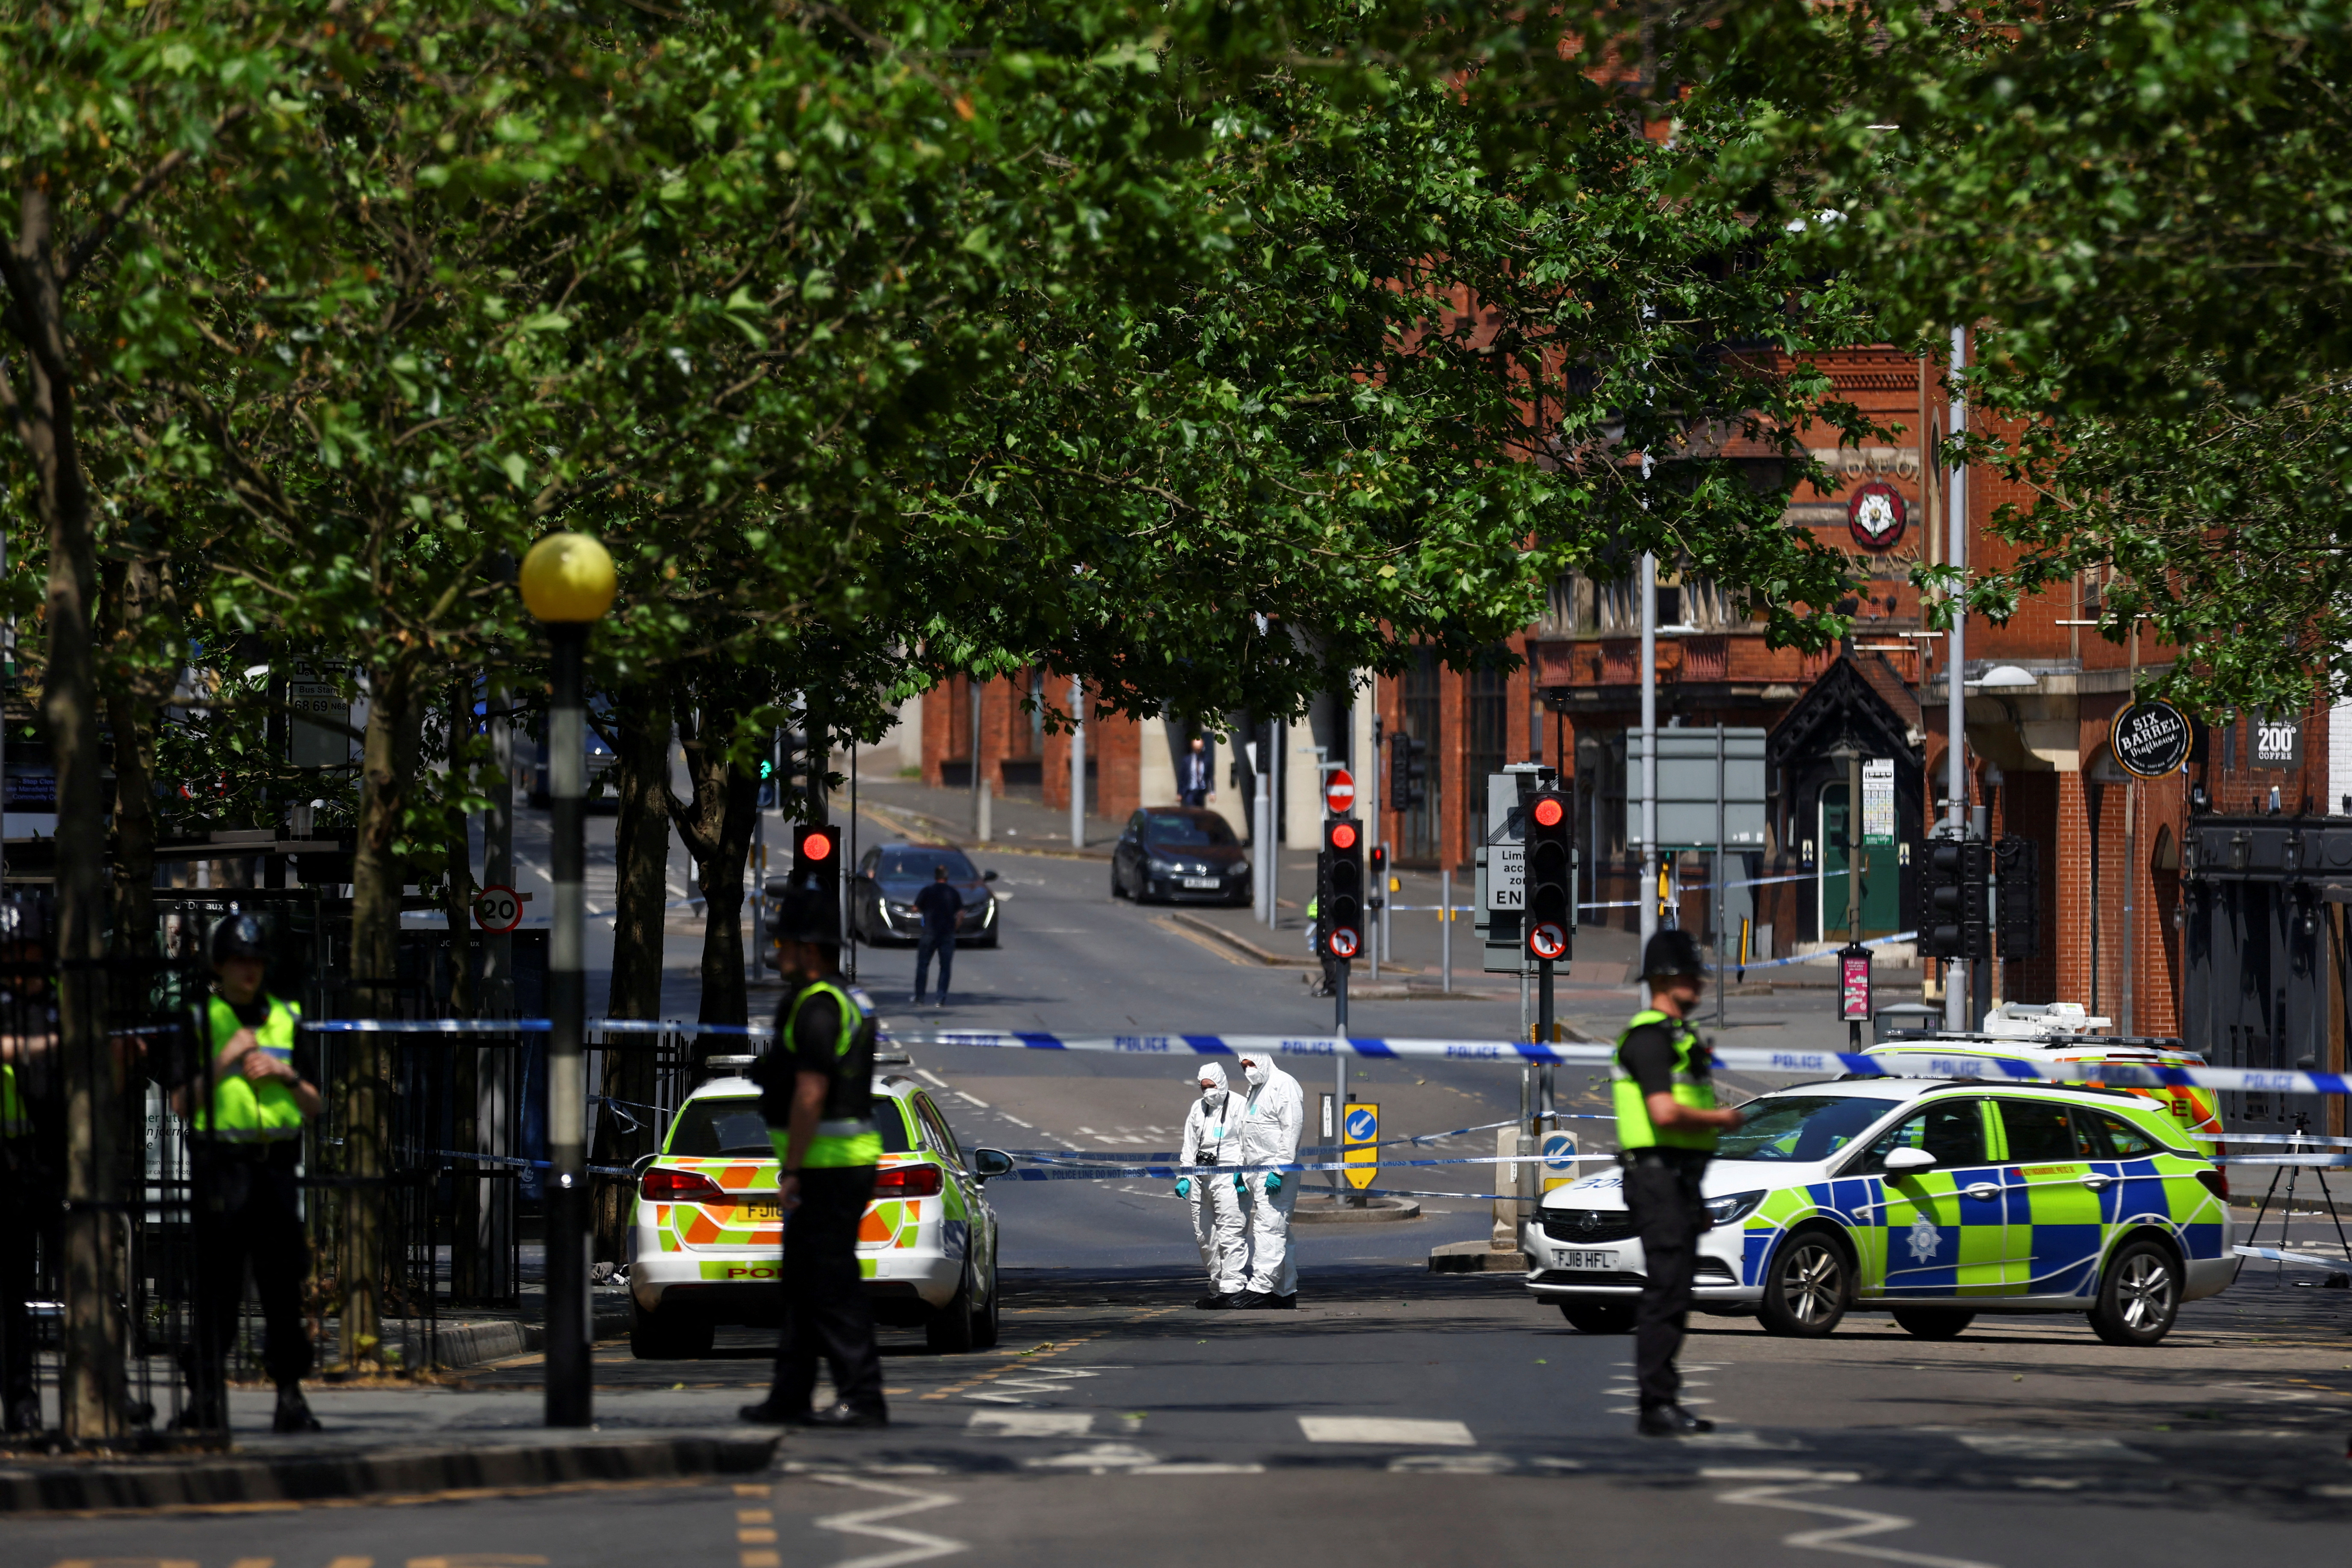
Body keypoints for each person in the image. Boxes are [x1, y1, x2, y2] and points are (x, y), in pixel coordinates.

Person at [742, 871, 888, 1429]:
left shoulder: (817, 1008)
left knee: (829, 1281)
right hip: (839, 1165)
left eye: (784, 942)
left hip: (829, 1168)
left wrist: (794, 1169)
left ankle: (863, 1395)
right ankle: (790, 1394)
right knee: (803, 1281)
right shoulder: (837, 1001)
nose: (777, 950)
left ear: (808, 948)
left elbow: (809, 1093)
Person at [174, 912, 325, 1434]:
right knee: (217, 1291)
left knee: (282, 1289)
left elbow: (313, 1103)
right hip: (221, 1169)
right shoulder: (199, 1019)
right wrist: (224, 1060)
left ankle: (290, 1396)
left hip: (276, 1168)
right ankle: (206, 1399)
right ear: (219, 965)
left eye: (256, 960)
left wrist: (285, 1073)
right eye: (240, 960)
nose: (249, 970)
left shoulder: (287, 1017)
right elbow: (179, 1101)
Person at [1614, 928, 1746, 1438]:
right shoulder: (1648, 1039)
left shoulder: (1680, 1039)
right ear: (1666, 980)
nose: (1698, 984)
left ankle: (1662, 1399)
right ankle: (1656, 1405)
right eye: (1691, 976)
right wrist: (1722, 1121)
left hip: (1678, 1182)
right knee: (1664, 1292)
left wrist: (1694, 1194)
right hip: (1656, 1178)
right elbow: (1664, 1112)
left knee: (1674, 1292)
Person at [0, 899, 60, 1435]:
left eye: (32, 954)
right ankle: (19, 1400)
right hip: (9, 1160)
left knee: (87, 1279)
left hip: (52, 1161)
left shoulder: (59, 1005)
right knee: (12, 1294)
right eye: (15, 954)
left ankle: (105, 1387)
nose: (23, 966)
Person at [1231, 1052, 1303, 1309]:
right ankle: (1284, 1292)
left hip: (1274, 1172)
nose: (1248, 1070)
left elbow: (1291, 1129)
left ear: (1263, 1060)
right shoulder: (1255, 1089)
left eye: (1252, 1064)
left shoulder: (1284, 1085)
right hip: (1255, 1171)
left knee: (1269, 1229)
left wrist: (1280, 1169)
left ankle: (1261, 1288)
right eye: (1244, 1066)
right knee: (1279, 1232)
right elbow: (1246, 1131)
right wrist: (1241, 1167)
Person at [1178, 1063, 1247, 1308]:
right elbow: (1190, 1144)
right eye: (1204, 1087)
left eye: (1212, 1086)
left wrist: (1242, 1171)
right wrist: (1185, 1176)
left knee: (1231, 1232)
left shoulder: (1240, 1105)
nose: (1208, 1092)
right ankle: (1218, 1285)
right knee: (1205, 1236)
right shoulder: (1198, 1108)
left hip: (1229, 1176)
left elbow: (1247, 1141)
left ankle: (1233, 1286)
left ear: (1223, 1083)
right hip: (1201, 1176)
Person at [912, 862, 963, 1008]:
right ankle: (940, 999)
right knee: (945, 967)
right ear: (947, 877)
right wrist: (955, 927)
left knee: (923, 965)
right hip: (947, 934)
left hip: (929, 932)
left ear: (935, 877)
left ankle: (920, 998)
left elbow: (916, 908)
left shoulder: (928, 891)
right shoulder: (953, 893)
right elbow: (960, 914)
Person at [1179, 737, 1214, 808]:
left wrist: (1212, 792)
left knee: (1200, 811)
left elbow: (1210, 777)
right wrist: (1179, 793)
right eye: (1196, 750)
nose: (1198, 752)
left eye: (1200, 749)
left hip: (1201, 791)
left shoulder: (1206, 761)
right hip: (1190, 791)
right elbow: (1182, 778)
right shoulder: (1187, 761)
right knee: (1191, 810)